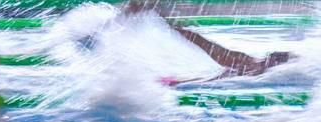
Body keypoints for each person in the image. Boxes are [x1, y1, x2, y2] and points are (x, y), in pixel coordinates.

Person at [123, 0, 293, 83]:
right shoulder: (253, 66)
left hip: (244, 62)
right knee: (198, 41)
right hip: (243, 61)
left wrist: (180, 81)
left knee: (198, 43)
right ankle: (155, 9)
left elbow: (217, 77)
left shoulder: (254, 66)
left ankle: (156, 10)